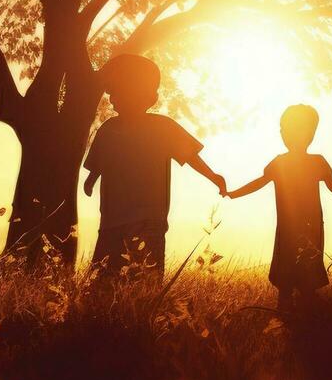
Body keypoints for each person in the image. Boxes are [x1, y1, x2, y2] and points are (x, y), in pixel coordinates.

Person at [82, 53, 226, 282]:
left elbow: (190, 156)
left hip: (148, 218)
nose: (112, 98)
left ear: (146, 96)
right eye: (112, 92)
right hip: (112, 219)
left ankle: (141, 310)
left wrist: (213, 176)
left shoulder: (162, 128)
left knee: (145, 275)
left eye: (118, 91)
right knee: (106, 274)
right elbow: (98, 163)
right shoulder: (109, 129)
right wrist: (91, 179)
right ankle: (102, 313)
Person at [224, 104, 332, 310]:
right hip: (288, 229)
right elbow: (259, 182)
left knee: (307, 276)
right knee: (285, 277)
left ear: (311, 134)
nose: (289, 134)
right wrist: (234, 193)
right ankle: (288, 314)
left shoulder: (317, 163)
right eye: (285, 129)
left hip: (311, 228)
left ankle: (305, 316)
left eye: (298, 129)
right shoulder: (279, 163)